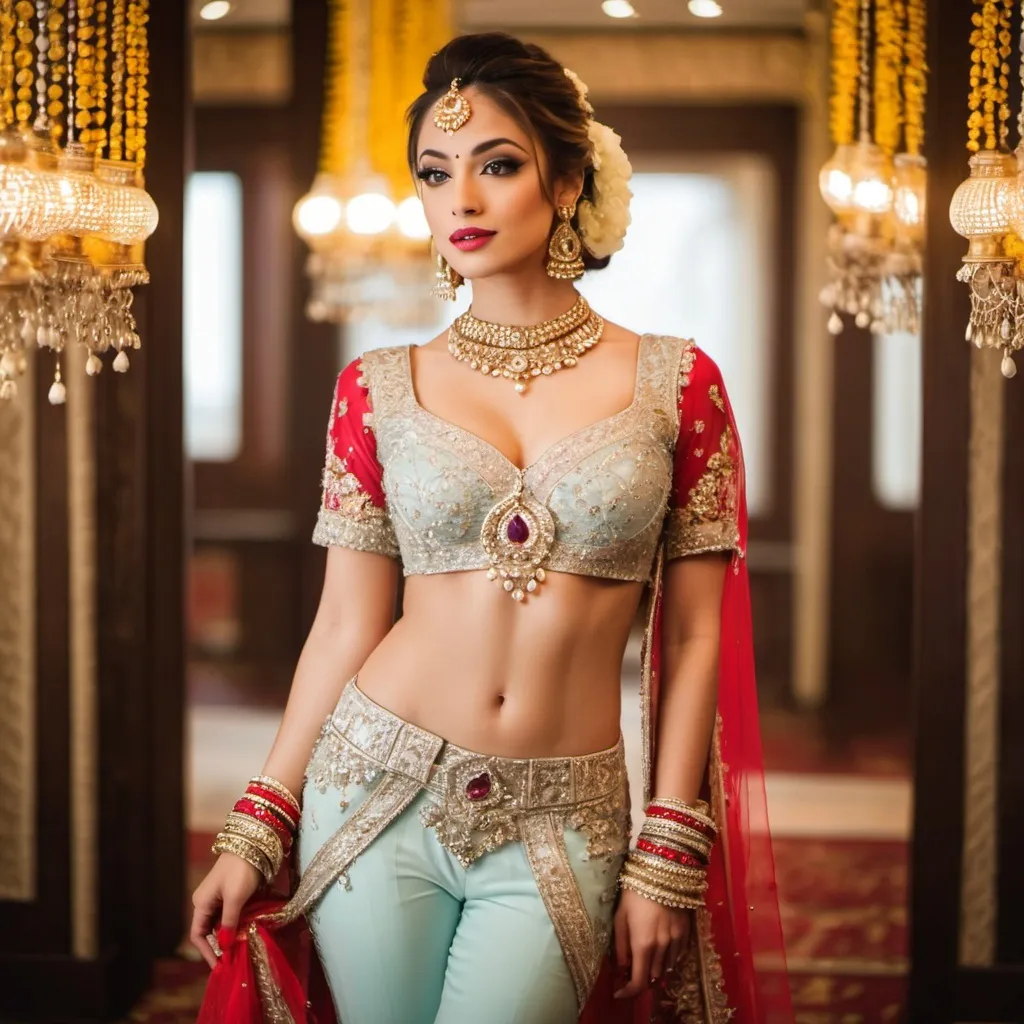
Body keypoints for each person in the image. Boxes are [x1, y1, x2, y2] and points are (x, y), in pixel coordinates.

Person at [191, 32, 791, 1024]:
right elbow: (344, 625)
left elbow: (691, 637)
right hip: (372, 786)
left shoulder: (678, 384)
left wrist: (667, 848)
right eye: (435, 173)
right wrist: (260, 818)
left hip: (566, 814)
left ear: (563, 183)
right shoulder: (375, 389)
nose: (458, 199)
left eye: (496, 165)